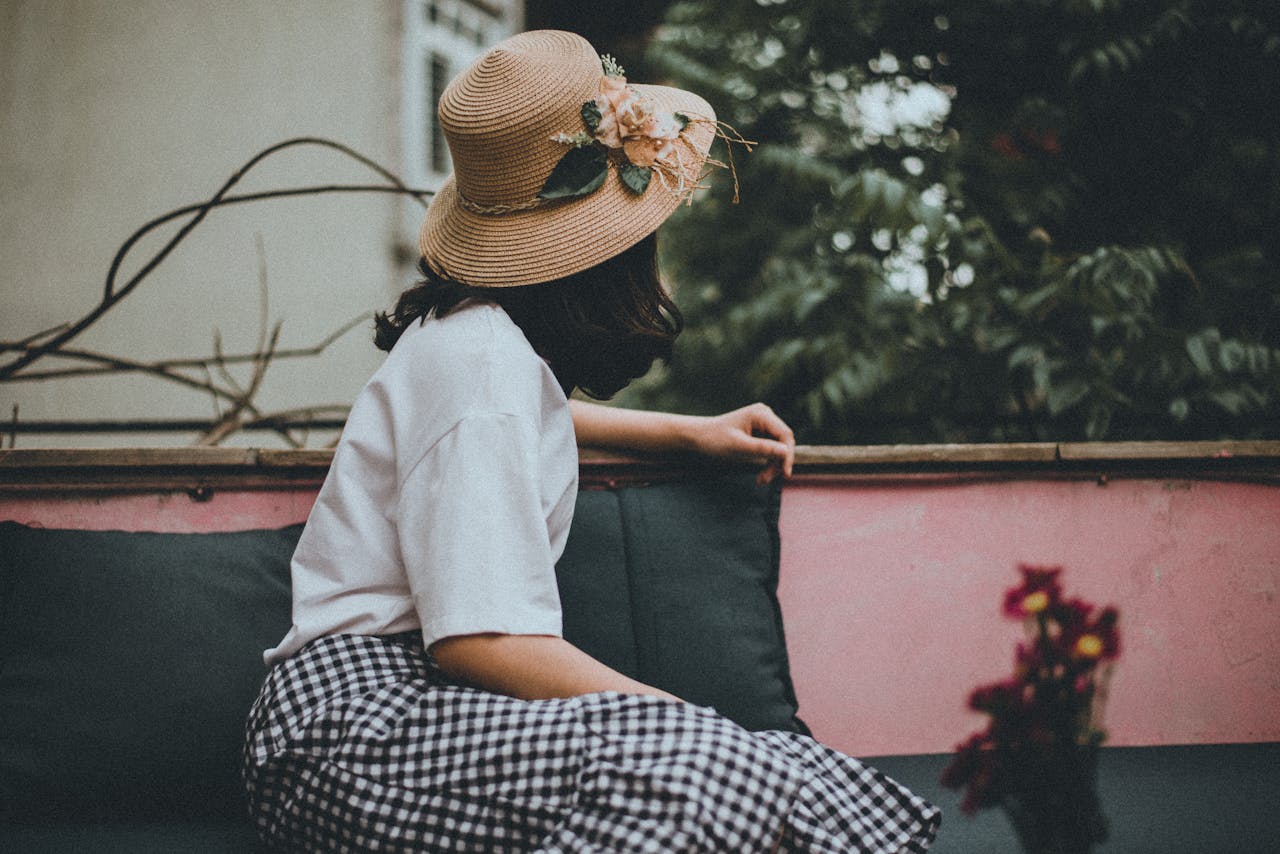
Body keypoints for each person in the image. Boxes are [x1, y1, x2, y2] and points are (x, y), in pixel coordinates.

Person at [242, 29, 939, 852]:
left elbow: (520, 423)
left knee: (790, 769)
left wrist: (688, 434)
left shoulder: (475, 342)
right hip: (351, 734)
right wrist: (681, 722)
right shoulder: (478, 365)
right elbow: (482, 642)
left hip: (387, 714)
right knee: (727, 769)